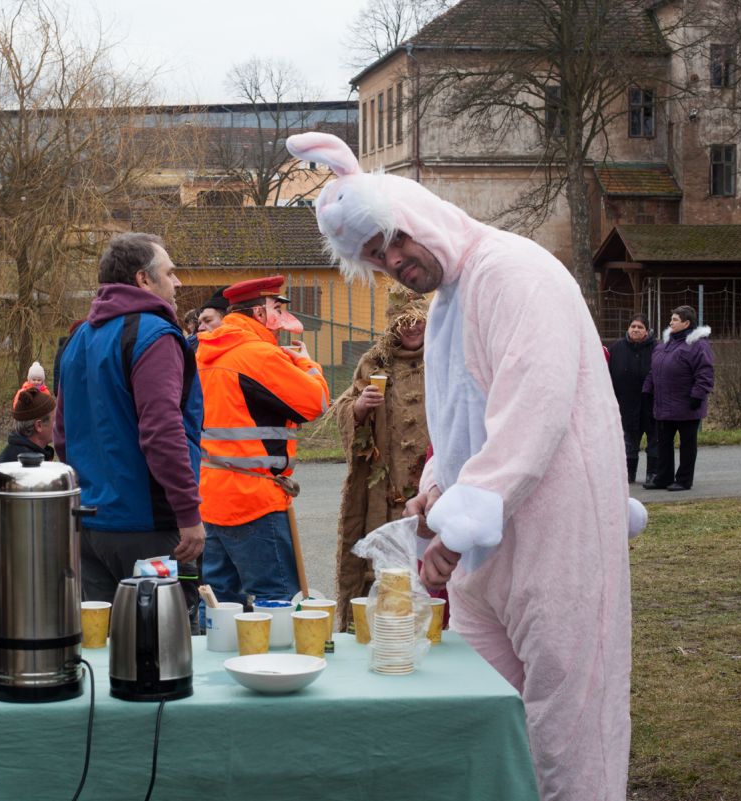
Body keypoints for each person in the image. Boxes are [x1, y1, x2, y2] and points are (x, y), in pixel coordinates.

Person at [288, 131, 646, 801]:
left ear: (419, 214)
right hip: (490, 558)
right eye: (374, 255)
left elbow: (530, 416)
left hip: (557, 538)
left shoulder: (514, 272)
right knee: (484, 721)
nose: (393, 260)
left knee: (569, 728)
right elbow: (456, 424)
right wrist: (435, 492)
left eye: (393, 239)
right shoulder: (449, 303)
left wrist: (455, 531)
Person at [54, 232, 205, 603]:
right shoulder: (155, 335)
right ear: (143, 279)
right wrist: (188, 513)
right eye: (169, 273)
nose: (177, 282)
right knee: (161, 633)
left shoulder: (79, 337)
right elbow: (162, 431)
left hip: (90, 525)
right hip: (147, 527)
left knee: (105, 635)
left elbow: (62, 435)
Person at [195, 275, 330, 605]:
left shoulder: (204, 353)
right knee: (277, 597)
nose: (282, 317)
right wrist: (305, 362)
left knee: (219, 603)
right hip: (253, 500)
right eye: (276, 308)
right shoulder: (259, 355)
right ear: (259, 313)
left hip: (211, 495)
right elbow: (316, 403)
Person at [332, 287, 430, 630]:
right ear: (392, 325)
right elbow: (346, 407)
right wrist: (360, 409)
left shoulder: (446, 356)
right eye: (403, 322)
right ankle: (381, 632)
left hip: (433, 484)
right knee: (382, 567)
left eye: (417, 320)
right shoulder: (374, 363)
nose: (412, 327)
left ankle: (432, 628)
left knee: (432, 566)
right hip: (384, 491)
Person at [642, 306, 714, 492]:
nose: (670, 323)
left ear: (686, 323)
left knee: (687, 445)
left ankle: (683, 480)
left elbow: (705, 374)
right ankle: (663, 477)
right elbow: (654, 370)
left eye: (675, 320)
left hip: (687, 406)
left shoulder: (698, 346)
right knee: (663, 444)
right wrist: (647, 390)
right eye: (671, 319)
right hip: (664, 406)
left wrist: (697, 396)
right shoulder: (664, 345)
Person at [609, 313, 658, 484]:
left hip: (651, 403)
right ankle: (629, 474)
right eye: (633, 326)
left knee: (654, 440)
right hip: (626, 404)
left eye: (640, 327)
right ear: (628, 328)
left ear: (647, 330)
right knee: (629, 442)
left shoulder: (657, 349)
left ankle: (653, 474)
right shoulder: (616, 348)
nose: (636, 330)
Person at [0, 387, 56, 464]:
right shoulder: (27, 465)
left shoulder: (13, 455)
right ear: (39, 426)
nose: (58, 425)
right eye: (55, 419)